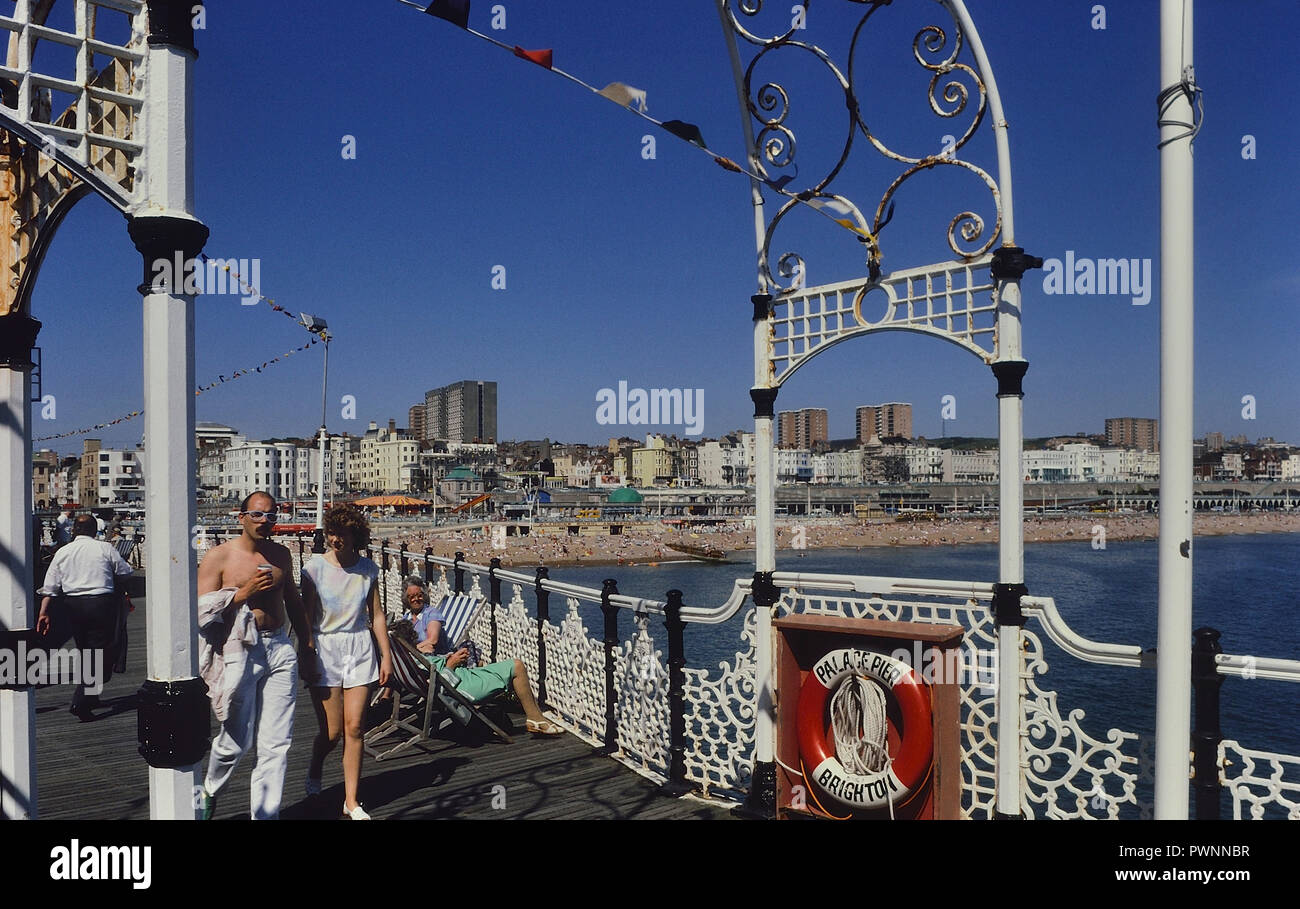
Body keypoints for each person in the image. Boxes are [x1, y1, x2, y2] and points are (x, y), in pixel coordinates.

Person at [196, 491, 315, 821]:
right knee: (236, 740)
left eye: (272, 516)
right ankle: (210, 788)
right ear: (242, 517)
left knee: (277, 743)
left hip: (279, 647)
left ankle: (265, 815)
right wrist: (242, 594)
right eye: (259, 515)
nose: (266, 522)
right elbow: (201, 613)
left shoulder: (280, 555)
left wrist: (306, 647)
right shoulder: (218, 557)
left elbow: (294, 601)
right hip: (242, 649)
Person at [300, 505, 392, 820]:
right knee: (331, 731)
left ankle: (351, 800)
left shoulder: (369, 570)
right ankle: (314, 769)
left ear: (356, 535)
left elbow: (376, 615)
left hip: (360, 648)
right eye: (332, 532)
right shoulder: (313, 568)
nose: (336, 539)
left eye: (342, 533)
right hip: (324, 648)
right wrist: (306, 654)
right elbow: (306, 618)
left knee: (355, 728)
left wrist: (386, 656)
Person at [397, 579, 562, 735]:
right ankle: (535, 718)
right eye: (411, 596)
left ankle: (528, 711)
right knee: (517, 666)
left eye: (418, 595)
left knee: (496, 668)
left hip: (454, 676)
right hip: (459, 684)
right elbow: (437, 686)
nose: (416, 598)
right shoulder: (416, 655)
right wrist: (451, 664)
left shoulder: (406, 656)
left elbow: (432, 647)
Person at [36, 513, 134, 720]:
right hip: (101, 604)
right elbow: (126, 572)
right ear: (93, 530)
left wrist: (44, 612)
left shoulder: (63, 552)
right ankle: (81, 701)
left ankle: (92, 695)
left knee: (86, 651)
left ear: (73, 531)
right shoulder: (104, 548)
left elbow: (50, 586)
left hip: (72, 605)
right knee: (102, 651)